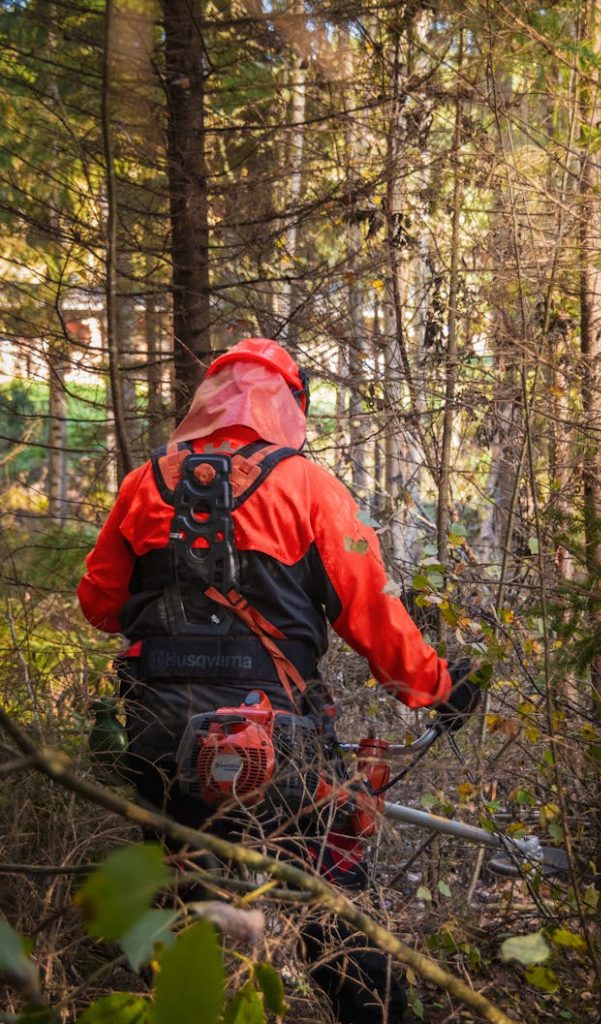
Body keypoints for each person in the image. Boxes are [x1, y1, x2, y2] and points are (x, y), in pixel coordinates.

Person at [78, 337, 479, 1024]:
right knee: (330, 891)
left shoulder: (145, 483)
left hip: (158, 733)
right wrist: (438, 686)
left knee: (182, 905)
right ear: (290, 404)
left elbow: (99, 605)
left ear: (208, 398)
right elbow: (371, 611)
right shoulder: (307, 485)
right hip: (276, 737)